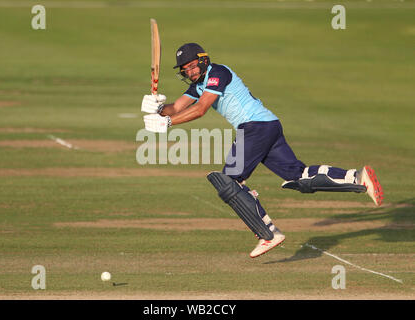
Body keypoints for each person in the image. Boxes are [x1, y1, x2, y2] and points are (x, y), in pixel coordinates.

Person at [141, 43, 384, 258]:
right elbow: (178, 107)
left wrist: (168, 123)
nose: (190, 71)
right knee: (297, 177)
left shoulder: (218, 73)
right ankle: (358, 178)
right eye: (186, 69)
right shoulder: (199, 84)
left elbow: (201, 109)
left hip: (255, 127)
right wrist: (159, 108)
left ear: (203, 60)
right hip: (267, 126)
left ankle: (268, 234)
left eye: (193, 66)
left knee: (229, 181)